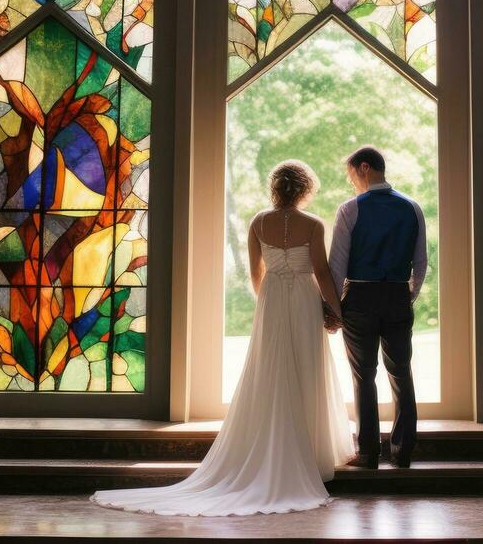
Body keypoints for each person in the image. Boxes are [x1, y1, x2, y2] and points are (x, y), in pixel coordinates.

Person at [92, 160, 352, 515]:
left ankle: (275, 448)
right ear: (306, 189)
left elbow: (255, 274)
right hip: (305, 300)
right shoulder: (313, 224)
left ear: (275, 188)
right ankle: (312, 452)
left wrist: (270, 303)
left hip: (273, 299)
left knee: (270, 370)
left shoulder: (259, 222)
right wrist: (334, 310)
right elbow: (321, 271)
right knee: (307, 367)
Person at [328, 145, 427, 469]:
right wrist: (407, 296)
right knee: (401, 372)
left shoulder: (350, 209)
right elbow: (421, 261)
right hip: (397, 295)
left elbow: (337, 265)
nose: (351, 182)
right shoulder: (413, 208)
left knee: (363, 375)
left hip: (360, 298)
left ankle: (369, 452)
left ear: (364, 168)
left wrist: (332, 306)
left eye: (351, 175)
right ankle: (403, 451)